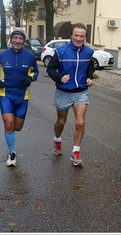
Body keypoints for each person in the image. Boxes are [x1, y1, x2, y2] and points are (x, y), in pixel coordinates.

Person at [0, 28, 39, 167]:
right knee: (8, 124)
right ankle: (12, 153)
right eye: (15, 38)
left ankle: (10, 135)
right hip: (6, 95)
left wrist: (30, 78)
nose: (17, 40)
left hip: (22, 96)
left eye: (20, 38)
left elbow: (36, 72)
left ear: (23, 41)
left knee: (18, 127)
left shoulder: (29, 56)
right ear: (11, 40)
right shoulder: (3, 55)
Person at [46, 23, 95, 167]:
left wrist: (89, 77)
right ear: (71, 36)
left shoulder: (88, 52)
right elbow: (51, 68)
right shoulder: (61, 51)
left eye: (82, 36)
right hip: (63, 91)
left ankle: (76, 152)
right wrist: (59, 78)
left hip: (81, 91)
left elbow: (90, 66)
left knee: (80, 122)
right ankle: (57, 139)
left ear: (85, 37)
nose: (79, 38)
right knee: (61, 121)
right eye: (76, 35)